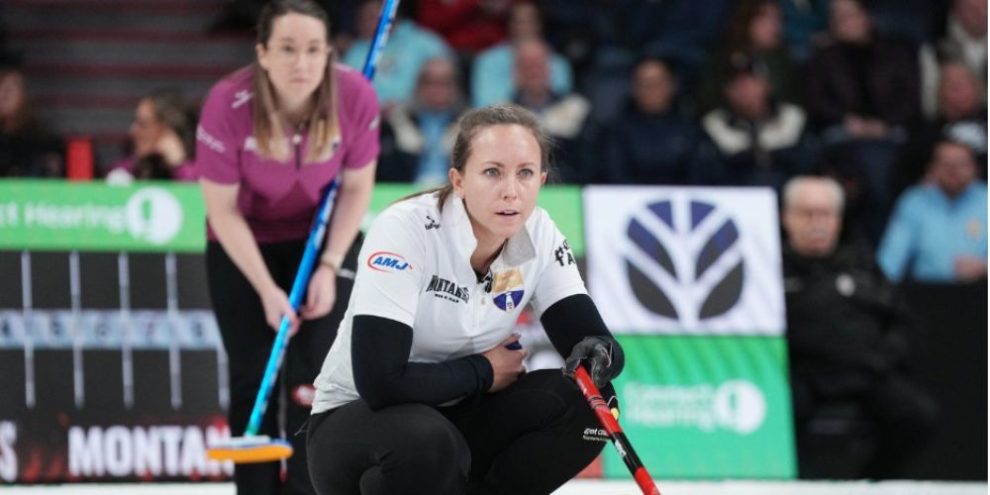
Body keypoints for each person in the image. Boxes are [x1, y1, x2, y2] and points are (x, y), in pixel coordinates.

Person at [306, 104, 625, 494]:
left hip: (460, 414)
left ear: (541, 180)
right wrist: (484, 371)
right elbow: (380, 383)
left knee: (591, 404)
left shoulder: (540, 233)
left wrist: (601, 352)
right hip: (359, 426)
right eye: (492, 172)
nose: (511, 190)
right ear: (458, 180)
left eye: (525, 173)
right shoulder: (405, 229)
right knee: (430, 441)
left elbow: (591, 338)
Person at [195, 1, 380, 493]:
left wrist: (329, 265)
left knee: (316, 379)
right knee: (253, 375)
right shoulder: (227, 104)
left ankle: (308, 487)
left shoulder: (355, 96)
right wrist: (265, 289)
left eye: (314, 49)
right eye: (288, 49)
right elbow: (222, 210)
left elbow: (357, 189)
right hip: (243, 244)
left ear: (329, 52)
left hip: (321, 241)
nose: (302, 63)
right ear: (262, 53)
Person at [781, 176, 938, 479]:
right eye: (807, 213)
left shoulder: (861, 262)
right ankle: (806, 484)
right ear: (786, 217)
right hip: (800, 374)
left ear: (838, 219)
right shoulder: (771, 266)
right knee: (778, 411)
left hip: (864, 370)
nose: (817, 223)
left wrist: (884, 357)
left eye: (825, 214)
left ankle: (870, 482)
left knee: (918, 414)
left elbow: (900, 319)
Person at [877, 138, 988, 283]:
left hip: (982, 289)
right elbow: (891, 259)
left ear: (975, 168)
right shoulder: (914, 202)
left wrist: (985, 267)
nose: (953, 171)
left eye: (961, 164)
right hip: (927, 290)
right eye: (946, 164)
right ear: (932, 168)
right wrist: (880, 286)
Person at [376, 57, 467, 186]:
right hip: (406, 191)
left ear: (455, 87)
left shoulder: (469, 123)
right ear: (418, 86)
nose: (437, 89)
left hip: (453, 191)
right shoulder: (398, 119)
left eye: (444, 83)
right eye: (430, 82)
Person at [106, 89, 197, 183]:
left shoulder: (201, 168)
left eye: (143, 124)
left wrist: (179, 165)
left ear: (168, 130)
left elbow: (197, 189)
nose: (132, 131)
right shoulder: (130, 169)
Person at [0, 59, 63, 177]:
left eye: (9, 90)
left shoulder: (41, 138)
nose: (3, 96)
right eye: (0, 89)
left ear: (24, 94)